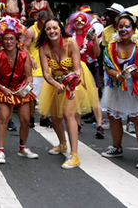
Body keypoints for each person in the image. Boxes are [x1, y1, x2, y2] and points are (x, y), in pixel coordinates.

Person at [100, 12, 138, 169]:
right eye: (120, 26)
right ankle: (117, 147)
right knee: (114, 117)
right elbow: (107, 67)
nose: (123, 29)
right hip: (116, 86)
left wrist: (133, 74)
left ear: (134, 29)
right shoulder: (111, 46)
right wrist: (118, 75)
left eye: (127, 27)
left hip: (136, 87)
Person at [39, 18, 99, 169]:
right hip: (55, 82)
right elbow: (46, 74)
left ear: (60, 29)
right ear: (45, 31)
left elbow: (78, 68)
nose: (52, 31)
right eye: (48, 29)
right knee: (55, 117)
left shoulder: (71, 42)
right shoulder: (43, 47)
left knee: (68, 115)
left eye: (55, 28)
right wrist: (56, 84)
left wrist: (74, 80)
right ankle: (62, 144)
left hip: (74, 81)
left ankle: (74, 155)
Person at [0, 17, 38, 164]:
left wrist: (25, 86)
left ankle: (22, 148)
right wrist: (3, 88)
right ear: (1, 41)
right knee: (3, 118)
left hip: (20, 90)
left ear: (17, 41)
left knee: (26, 120)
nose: (9, 42)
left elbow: (29, 77)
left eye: (12, 39)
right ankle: (1, 151)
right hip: (3, 89)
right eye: (6, 39)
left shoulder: (24, 55)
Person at [66, 10, 104, 139]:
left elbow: (97, 54)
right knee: (77, 96)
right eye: (77, 21)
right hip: (76, 68)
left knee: (95, 97)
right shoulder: (70, 36)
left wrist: (96, 42)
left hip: (91, 66)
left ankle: (99, 125)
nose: (80, 23)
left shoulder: (91, 34)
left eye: (82, 20)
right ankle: (77, 124)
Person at [24, 10, 52, 128]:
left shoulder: (51, 30)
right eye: (43, 22)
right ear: (38, 20)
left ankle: (44, 117)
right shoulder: (31, 31)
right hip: (35, 68)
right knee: (32, 95)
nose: (45, 25)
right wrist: (31, 59)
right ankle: (31, 116)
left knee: (48, 94)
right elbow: (24, 47)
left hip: (48, 66)